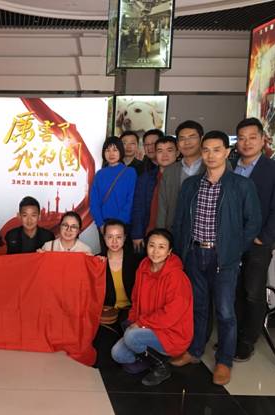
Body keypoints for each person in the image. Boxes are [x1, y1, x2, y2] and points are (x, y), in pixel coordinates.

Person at [171, 131, 261, 385]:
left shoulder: (241, 185)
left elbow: (253, 222)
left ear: (227, 152)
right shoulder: (191, 185)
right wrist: (182, 250)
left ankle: (224, 361)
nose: (211, 155)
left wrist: (234, 249)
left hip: (224, 257)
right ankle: (195, 351)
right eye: (206, 150)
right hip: (194, 254)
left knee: (224, 311)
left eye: (217, 149)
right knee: (198, 307)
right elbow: (180, 221)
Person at [233, 118, 275, 361]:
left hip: (257, 243)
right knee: (232, 290)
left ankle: (247, 340)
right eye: (242, 138)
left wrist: (264, 238)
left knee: (253, 292)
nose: (247, 143)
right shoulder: (230, 166)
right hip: (231, 241)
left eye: (252, 137)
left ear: (263, 139)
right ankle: (233, 335)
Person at [111, 229, 193, 387]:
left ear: (169, 251)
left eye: (161, 247)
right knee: (118, 355)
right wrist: (133, 321)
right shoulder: (143, 267)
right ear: (146, 246)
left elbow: (170, 315)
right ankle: (152, 356)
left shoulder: (177, 277)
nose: (155, 251)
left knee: (131, 337)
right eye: (152, 245)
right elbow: (135, 299)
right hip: (148, 327)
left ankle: (161, 367)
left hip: (171, 333)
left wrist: (140, 324)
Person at [93, 220, 139, 367]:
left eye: (118, 237)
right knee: (102, 355)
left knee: (126, 350)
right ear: (104, 237)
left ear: (125, 238)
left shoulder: (135, 260)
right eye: (110, 237)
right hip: (108, 312)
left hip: (130, 311)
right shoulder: (97, 260)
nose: (114, 241)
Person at [89, 137, 137, 252]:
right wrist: (101, 224)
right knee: (106, 255)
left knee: (124, 256)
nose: (111, 154)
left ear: (121, 151)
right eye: (107, 150)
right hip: (104, 225)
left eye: (115, 150)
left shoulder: (130, 172)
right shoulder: (99, 174)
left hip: (123, 224)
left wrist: (119, 225)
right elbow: (94, 202)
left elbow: (131, 200)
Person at [131, 136, 179, 252]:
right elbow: (138, 207)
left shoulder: (184, 177)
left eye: (169, 150)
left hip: (176, 236)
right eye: (160, 151)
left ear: (177, 153)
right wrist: (137, 234)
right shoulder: (146, 178)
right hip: (150, 233)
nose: (164, 155)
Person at [157, 121, 205, 230]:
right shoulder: (169, 171)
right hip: (174, 230)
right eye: (182, 138)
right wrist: (161, 233)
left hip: (203, 232)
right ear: (178, 143)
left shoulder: (212, 167)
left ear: (202, 139)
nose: (187, 142)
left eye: (192, 137)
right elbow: (163, 207)